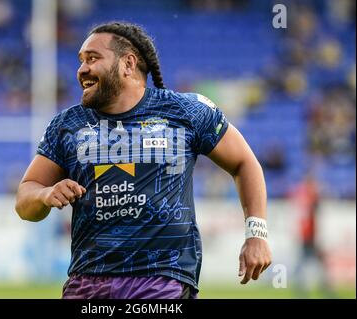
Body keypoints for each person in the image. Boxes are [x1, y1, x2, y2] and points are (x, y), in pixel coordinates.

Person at [15, 22, 272, 299]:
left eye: (92, 58)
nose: (82, 69)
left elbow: (245, 163)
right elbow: (25, 199)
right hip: (88, 284)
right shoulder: (68, 124)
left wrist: (256, 233)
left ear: (128, 63)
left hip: (163, 282)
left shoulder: (186, 111)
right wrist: (45, 194)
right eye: (81, 61)